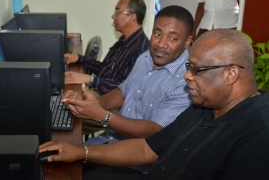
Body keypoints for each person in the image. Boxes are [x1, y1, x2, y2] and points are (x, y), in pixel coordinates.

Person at [39, 29, 269, 180]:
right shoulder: (204, 107)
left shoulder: (258, 135)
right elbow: (147, 148)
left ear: (230, 74)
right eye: (188, 67)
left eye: (195, 69)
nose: (186, 76)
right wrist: (80, 151)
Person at [54, 5, 193, 176]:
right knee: (55, 159)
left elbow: (154, 131)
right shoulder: (146, 57)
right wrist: (94, 103)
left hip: (138, 165)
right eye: (157, 34)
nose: (161, 44)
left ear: (187, 41)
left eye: (172, 39)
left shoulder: (186, 81)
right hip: (110, 141)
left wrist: (102, 115)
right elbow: (123, 91)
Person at [64, 0, 149, 95]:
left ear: (132, 17)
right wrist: (79, 58)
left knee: (68, 98)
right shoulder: (124, 40)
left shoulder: (141, 51)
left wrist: (90, 79)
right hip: (101, 92)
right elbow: (104, 69)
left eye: (117, 11)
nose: (113, 16)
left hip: (112, 104)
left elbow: (124, 89)